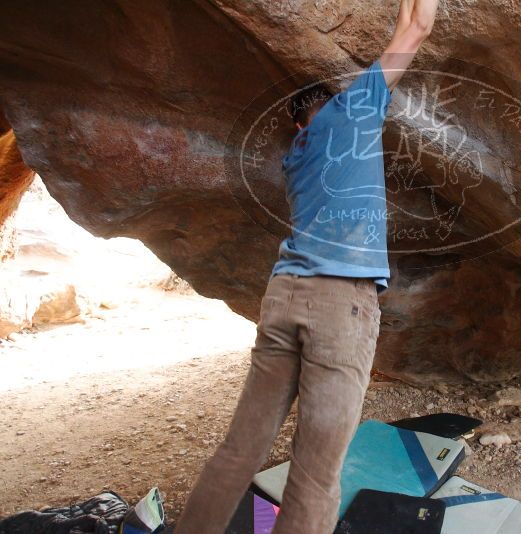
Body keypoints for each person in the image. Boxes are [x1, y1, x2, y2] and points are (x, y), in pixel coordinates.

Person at [174, 1, 439, 532]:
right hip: (339, 307)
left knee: (237, 453)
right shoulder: (352, 113)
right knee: (317, 474)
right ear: (330, 105)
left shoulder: (295, 159)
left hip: (283, 299)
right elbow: (416, 26)